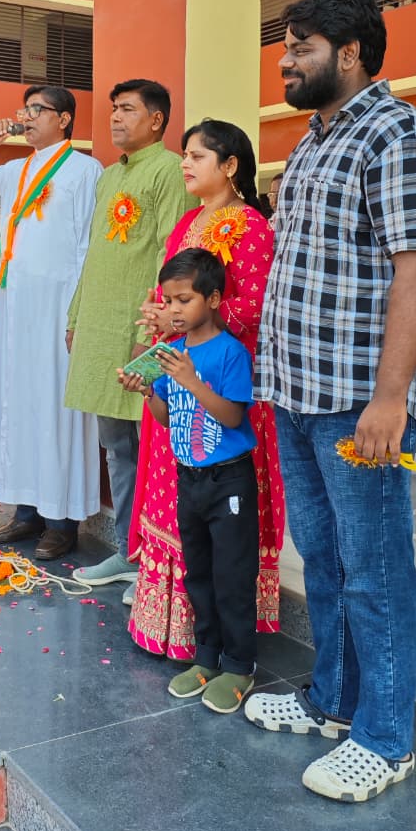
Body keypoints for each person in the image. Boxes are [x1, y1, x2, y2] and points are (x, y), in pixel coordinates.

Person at [245, 0, 416, 804]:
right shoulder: (313, 138)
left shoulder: (393, 132)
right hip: (296, 390)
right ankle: (335, 700)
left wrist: (391, 398)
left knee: (375, 571)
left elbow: (412, 270)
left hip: (356, 401)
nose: (285, 60)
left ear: (350, 53)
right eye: (286, 44)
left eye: (301, 46)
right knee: (325, 557)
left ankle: (388, 737)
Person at [128, 120, 284, 656]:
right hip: (174, 373)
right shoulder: (187, 222)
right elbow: (170, 293)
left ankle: (226, 643)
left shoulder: (252, 226)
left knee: (216, 509)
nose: (185, 164)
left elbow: (254, 307)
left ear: (231, 165)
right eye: (184, 155)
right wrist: (158, 313)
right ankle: (177, 629)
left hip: (218, 382)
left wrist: (181, 319)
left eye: (197, 155)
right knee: (174, 494)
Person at [0, 85, 102, 560]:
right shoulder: (15, 169)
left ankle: (61, 521)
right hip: (14, 309)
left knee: (55, 407)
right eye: (26, 109)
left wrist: (79, 310)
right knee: (18, 404)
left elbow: (87, 244)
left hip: (57, 308)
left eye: (38, 110)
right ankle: (26, 512)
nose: (27, 117)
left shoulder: (84, 170)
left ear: (64, 119)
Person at [65, 79, 195, 590]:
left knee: (152, 448)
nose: (115, 118)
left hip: (139, 330)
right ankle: (128, 553)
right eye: (113, 109)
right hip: (99, 328)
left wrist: (151, 330)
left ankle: (162, 561)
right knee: (117, 447)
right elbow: (94, 252)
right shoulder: (109, 175)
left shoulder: (168, 170)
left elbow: (172, 256)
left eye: (127, 109)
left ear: (156, 120)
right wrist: (76, 316)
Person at [120, 249, 258, 713]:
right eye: (168, 301)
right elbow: (164, 417)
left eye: (184, 300)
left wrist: (193, 380)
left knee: (232, 575)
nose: (174, 310)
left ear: (213, 299)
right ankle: (207, 658)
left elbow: (233, 416)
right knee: (198, 572)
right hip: (190, 480)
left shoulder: (229, 352)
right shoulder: (171, 353)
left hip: (229, 481)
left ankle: (239, 666)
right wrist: (148, 391)